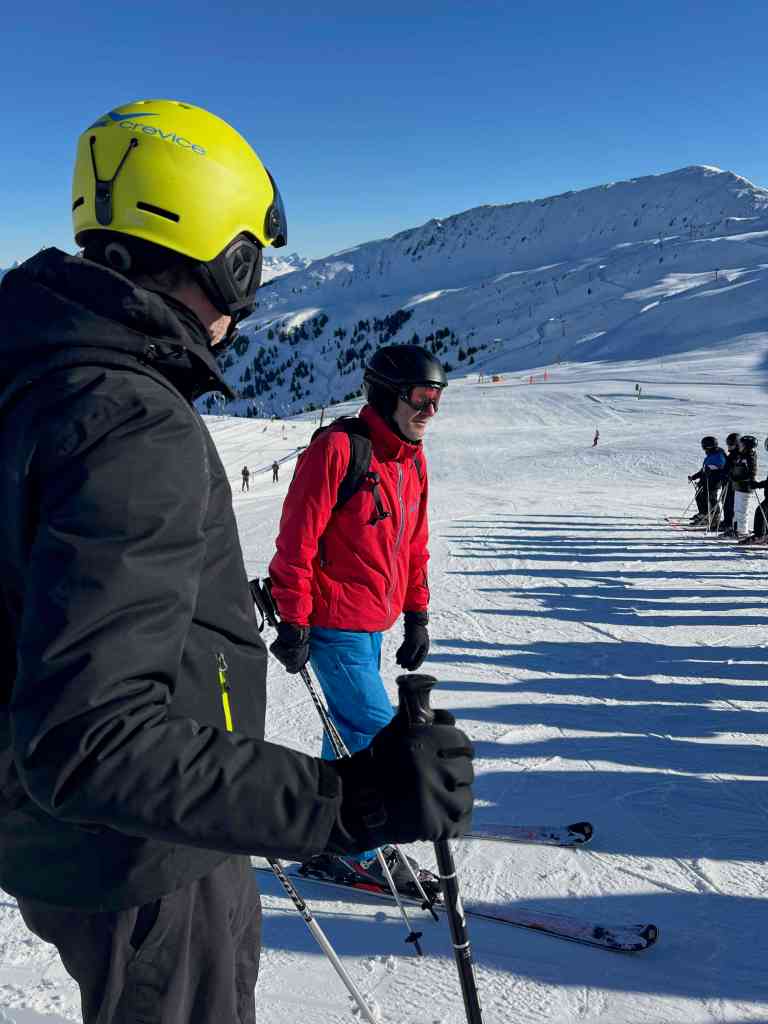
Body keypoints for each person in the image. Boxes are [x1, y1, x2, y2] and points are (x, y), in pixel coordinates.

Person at [0, 100, 474, 1024]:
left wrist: (410, 607)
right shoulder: (129, 422)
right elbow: (94, 739)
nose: (247, 300)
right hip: (145, 851)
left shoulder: (41, 374)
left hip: (81, 833)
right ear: (224, 254)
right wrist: (344, 805)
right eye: (249, 258)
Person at [268, 345, 445, 894]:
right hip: (331, 623)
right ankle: (361, 853)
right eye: (421, 397)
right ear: (388, 394)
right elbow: (296, 540)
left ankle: (330, 834)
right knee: (376, 732)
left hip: (373, 623)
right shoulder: (339, 450)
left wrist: (416, 612)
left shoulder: (411, 460)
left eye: (437, 399)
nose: (429, 410)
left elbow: (414, 545)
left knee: (347, 731)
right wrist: (293, 619)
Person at [688, 436, 726, 526]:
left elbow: (722, 468)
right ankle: (703, 514)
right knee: (699, 496)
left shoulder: (719, 455)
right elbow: (704, 469)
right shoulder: (711, 454)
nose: (703, 448)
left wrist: (712, 470)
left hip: (714, 481)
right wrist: (694, 477)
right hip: (706, 480)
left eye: (704, 446)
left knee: (711, 499)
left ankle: (714, 517)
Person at [726, 434, 758, 538]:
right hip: (739, 486)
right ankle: (736, 529)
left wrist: (738, 478)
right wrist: (732, 475)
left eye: (741, 445)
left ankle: (741, 531)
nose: (739, 446)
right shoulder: (742, 456)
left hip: (745, 487)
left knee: (741, 510)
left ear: (747, 446)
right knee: (736, 510)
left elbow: (751, 473)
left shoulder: (750, 456)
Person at [714, 432, 740, 533]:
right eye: (728, 444)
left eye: (731, 444)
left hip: (733, 484)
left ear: (737, 444)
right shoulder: (731, 454)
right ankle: (726, 521)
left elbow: (735, 468)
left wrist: (730, 474)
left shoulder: (737, 455)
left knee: (730, 503)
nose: (729, 446)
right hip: (727, 482)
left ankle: (730, 524)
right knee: (725, 502)